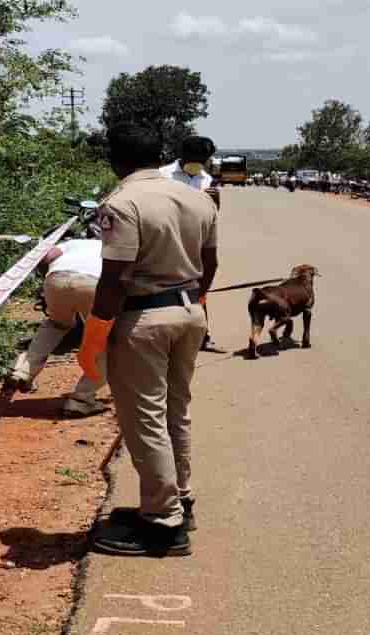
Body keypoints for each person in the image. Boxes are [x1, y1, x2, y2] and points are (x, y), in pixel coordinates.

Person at [77, 124, 218, 556]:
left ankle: (162, 523)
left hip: (143, 319)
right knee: (176, 412)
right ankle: (180, 500)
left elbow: (115, 278)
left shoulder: (121, 203)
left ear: (115, 159)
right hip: (190, 312)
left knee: (146, 420)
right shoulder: (199, 198)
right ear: (159, 155)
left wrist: (95, 334)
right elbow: (210, 263)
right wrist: (190, 299)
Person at [8, 236, 108, 417]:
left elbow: (46, 256)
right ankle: (82, 399)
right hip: (93, 282)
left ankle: (24, 372)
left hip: (56, 277)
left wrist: (44, 282)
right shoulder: (116, 245)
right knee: (107, 343)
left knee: (56, 324)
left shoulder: (73, 243)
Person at [160, 135, 222, 353]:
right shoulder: (162, 175)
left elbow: (212, 214)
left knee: (197, 288)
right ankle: (165, 337)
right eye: (196, 158)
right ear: (183, 155)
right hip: (165, 239)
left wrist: (214, 202)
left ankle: (203, 336)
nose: (200, 163)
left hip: (194, 241)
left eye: (204, 159)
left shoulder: (206, 180)